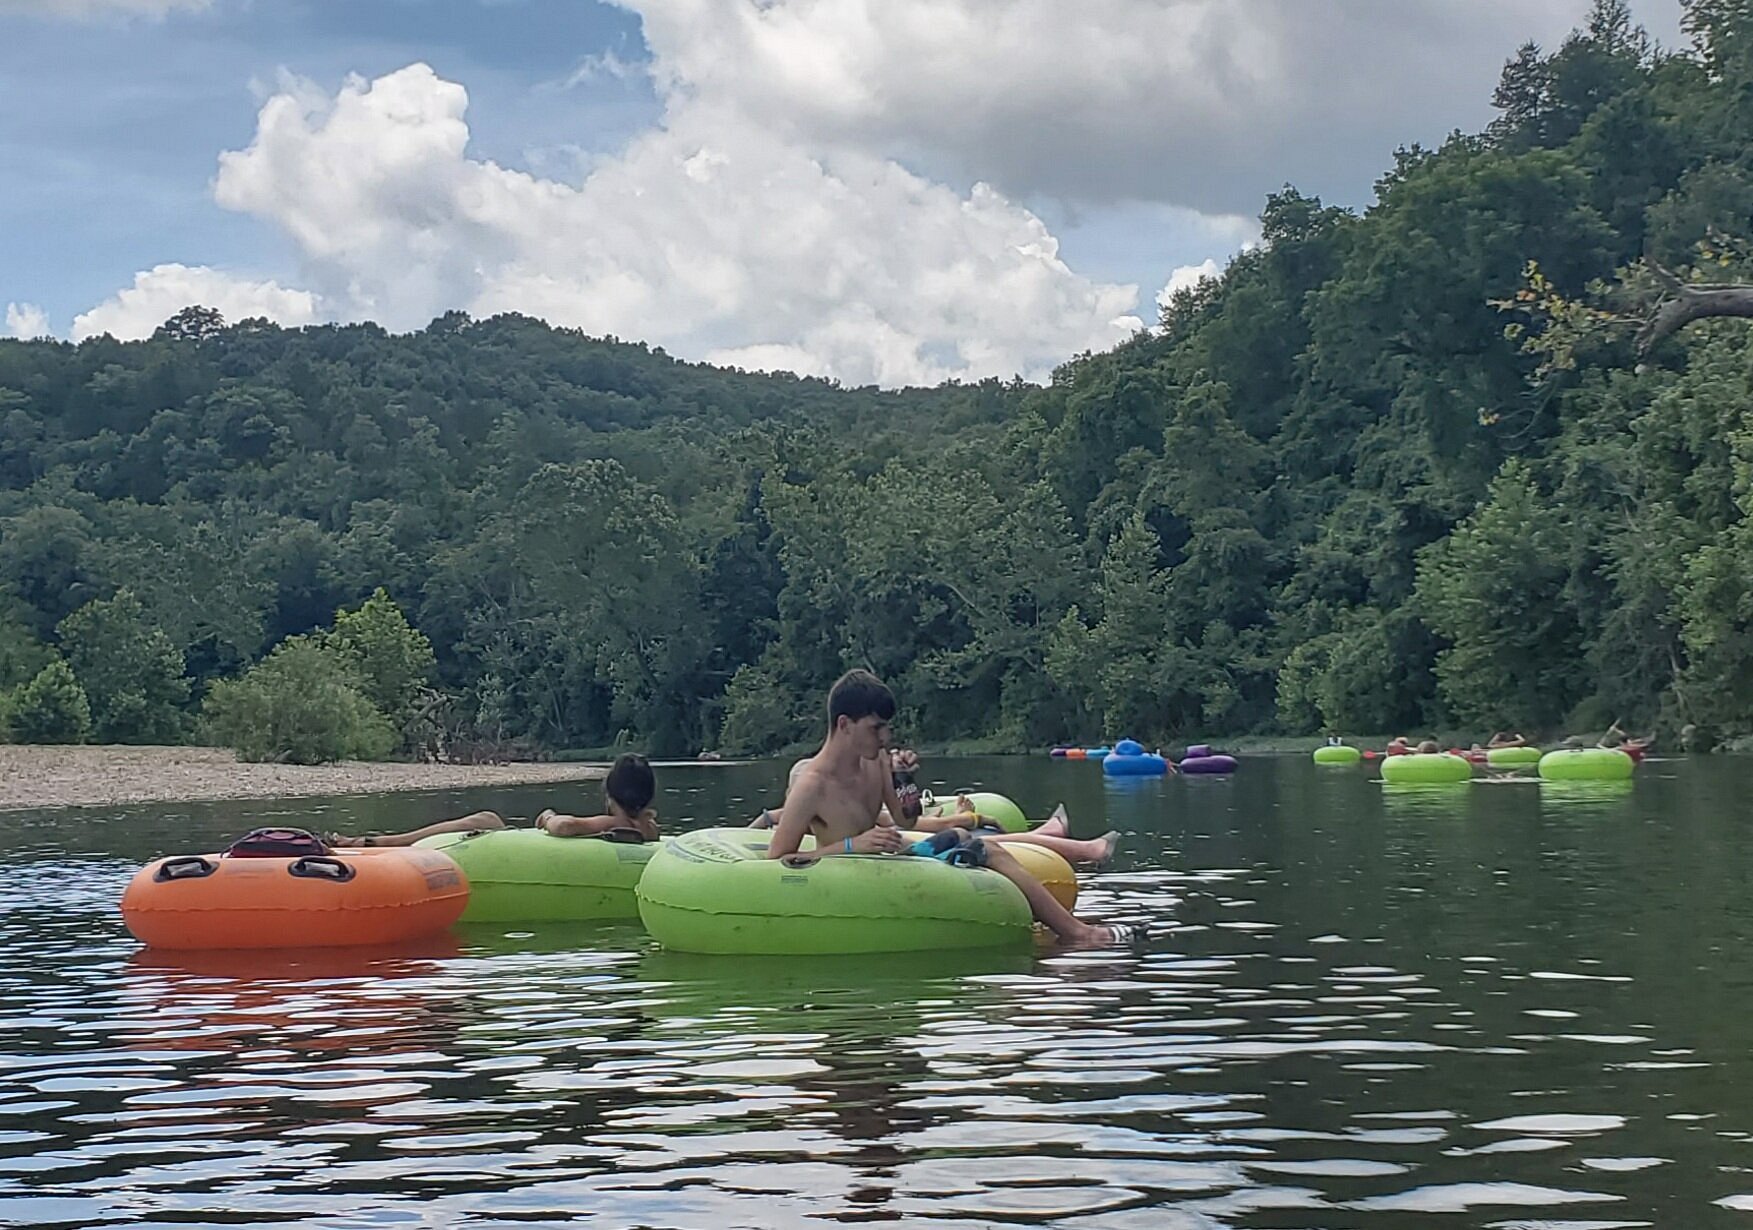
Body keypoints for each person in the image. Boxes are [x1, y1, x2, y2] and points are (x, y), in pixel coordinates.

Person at [767, 669, 1135, 945]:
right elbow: (777, 859)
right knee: (978, 846)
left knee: (965, 838)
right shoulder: (811, 785)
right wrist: (851, 846)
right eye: (876, 728)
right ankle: (1078, 933)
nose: (885, 738)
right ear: (844, 724)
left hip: (890, 860)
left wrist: (905, 780)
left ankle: (1069, 930)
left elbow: (904, 817)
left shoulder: (875, 760)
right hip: (849, 873)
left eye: (886, 730)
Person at [323, 753, 658, 847]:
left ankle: (382, 842)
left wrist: (547, 817)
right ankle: (379, 842)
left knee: (487, 820)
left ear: (610, 792)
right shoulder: (645, 828)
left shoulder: (614, 822)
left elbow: (567, 827)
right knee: (489, 821)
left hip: (515, 845)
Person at [534, 753, 659, 841]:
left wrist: (548, 818)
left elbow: (564, 826)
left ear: (610, 795)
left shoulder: (612, 824)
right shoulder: (650, 828)